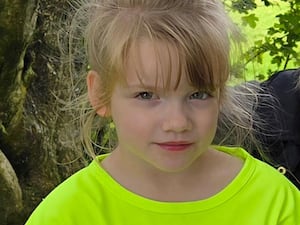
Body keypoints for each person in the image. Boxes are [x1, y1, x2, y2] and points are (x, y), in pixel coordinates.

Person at [25, 0, 300, 224]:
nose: (177, 122)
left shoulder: (275, 202)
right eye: (146, 95)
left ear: (220, 92)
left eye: (198, 94)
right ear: (100, 94)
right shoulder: (67, 214)